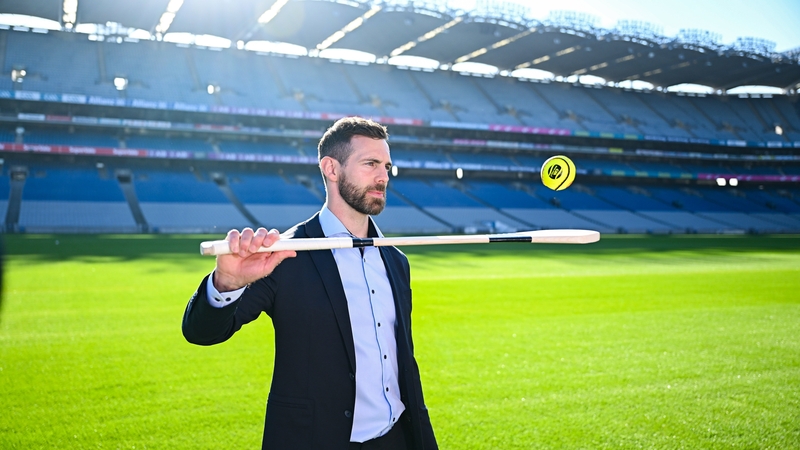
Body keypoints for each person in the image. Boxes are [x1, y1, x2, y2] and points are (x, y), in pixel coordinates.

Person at [182, 117, 438, 450]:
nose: (383, 177)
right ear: (331, 169)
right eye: (371, 164)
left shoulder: (396, 260)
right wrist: (227, 283)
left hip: (397, 439)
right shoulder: (284, 254)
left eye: (387, 166)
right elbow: (202, 332)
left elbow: (403, 361)